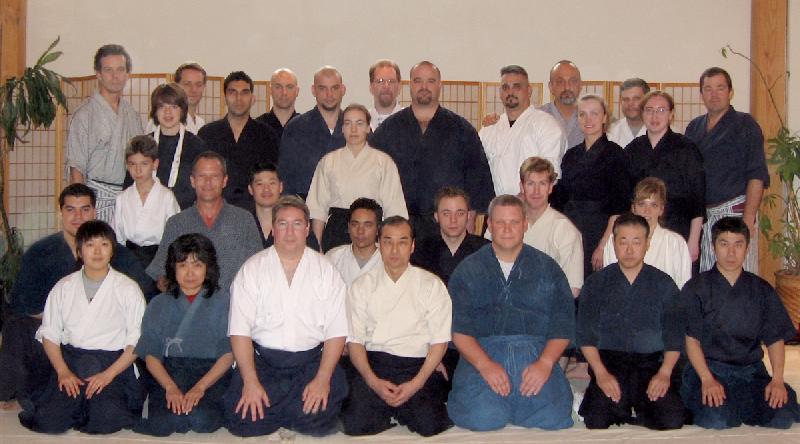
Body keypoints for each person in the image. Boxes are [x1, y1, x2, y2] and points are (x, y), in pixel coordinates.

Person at [0, 184, 154, 411]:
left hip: (104, 340)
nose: (78, 216)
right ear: (60, 212)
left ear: (94, 212)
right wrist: (61, 319)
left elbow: (143, 297)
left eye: (85, 209)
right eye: (70, 209)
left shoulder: (117, 252)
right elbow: (23, 302)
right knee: (16, 326)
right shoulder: (41, 251)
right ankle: (16, 391)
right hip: (51, 330)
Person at [447, 195, 575, 431]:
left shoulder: (548, 268)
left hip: (535, 354)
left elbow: (563, 323)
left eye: (514, 222)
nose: (507, 229)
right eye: (500, 222)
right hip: (484, 353)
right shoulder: (468, 270)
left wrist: (545, 364)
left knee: (554, 416)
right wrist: (485, 365)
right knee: (483, 417)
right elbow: (459, 331)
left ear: (525, 224)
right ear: (489, 225)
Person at [224, 196, 348, 437]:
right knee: (244, 421)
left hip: (311, 363)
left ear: (307, 228)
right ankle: (285, 408)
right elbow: (240, 331)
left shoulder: (326, 271)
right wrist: (250, 381)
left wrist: (322, 379)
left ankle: (289, 409)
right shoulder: (252, 269)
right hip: (264, 363)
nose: (290, 232)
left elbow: (337, 331)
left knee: (317, 422)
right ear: (273, 229)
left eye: (297, 224)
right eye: (282, 224)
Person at [18, 220, 146, 434]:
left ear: (112, 250)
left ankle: (93, 404)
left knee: (105, 421)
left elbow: (137, 340)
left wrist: (107, 375)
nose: (97, 251)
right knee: (50, 422)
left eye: (104, 244)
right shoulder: (64, 287)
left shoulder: (128, 289)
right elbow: (49, 333)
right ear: (79, 252)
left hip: (112, 364)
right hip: (72, 362)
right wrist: (63, 372)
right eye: (89, 245)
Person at [681, 217, 800, 429]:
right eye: (724, 244)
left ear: (747, 247)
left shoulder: (762, 290)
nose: (731, 253)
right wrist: (707, 380)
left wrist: (778, 380)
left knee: (782, 416)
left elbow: (775, 338)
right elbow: (691, 340)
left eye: (738, 244)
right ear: (713, 246)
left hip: (750, 371)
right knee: (718, 419)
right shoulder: (696, 288)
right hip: (709, 369)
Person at [342, 216, 453, 437]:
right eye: (387, 241)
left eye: (402, 242)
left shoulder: (431, 285)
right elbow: (355, 342)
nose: (394, 250)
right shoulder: (362, 286)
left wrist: (415, 384)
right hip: (375, 363)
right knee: (355, 424)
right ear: (379, 245)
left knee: (430, 425)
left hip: (416, 364)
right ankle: (394, 409)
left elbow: (440, 341)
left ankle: (399, 408)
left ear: (412, 246)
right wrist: (374, 383)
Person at [578, 213, 687, 430]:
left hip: (650, 364)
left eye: (636, 242)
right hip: (611, 363)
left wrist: (664, 374)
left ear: (647, 244)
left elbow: (674, 337)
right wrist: (601, 373)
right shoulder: (596, 283)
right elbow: (585, 335)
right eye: (623, 242)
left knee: (671, 420)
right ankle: (626, 406)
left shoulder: (664, 284)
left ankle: (632, 407)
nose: (629, 249)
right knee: (596, 421)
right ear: (614, 243)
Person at [370, 61, 494, 241]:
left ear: (439, 85)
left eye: (430, 81)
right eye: (418, 81)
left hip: (448, 225)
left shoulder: (461, 129)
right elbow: (374, 177)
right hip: (400, 224)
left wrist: (469, 222)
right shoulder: (389, 129)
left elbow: (476, 179)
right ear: (409, 85)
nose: (424, 87)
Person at [134, 234, 233, 436]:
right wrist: (170, 388)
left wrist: (200, 387)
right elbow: (151, 354)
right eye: (182, 265)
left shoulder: (223, 301)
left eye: (197, 265)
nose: (190, 273)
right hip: (169, 373)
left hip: (210, 374)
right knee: (168, 422)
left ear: (208, 268)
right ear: (173, 268)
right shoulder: (158, 303)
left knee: (201, 419)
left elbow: (229, 353)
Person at [685, 67, 769, 273]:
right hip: (703, 216)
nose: (714, 94)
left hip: (735, 211)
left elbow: (756, 175)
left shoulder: (745, 124)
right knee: (707, 277)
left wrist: (748, 219)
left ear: (730, 92)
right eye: (708, 89)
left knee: (736, 276)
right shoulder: (694, 127)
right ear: (701, 94)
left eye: (720, 88)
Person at [146, 151, 261, 292]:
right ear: (192, 181)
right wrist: (182, 298)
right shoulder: (176, 223)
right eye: (202, 176)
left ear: (224, 181)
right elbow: (161, 274)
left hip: (235, 308)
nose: (208, 182)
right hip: (188, 308)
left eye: (214, 176)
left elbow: (258, 270)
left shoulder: (244, 220)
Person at [308, 103, 407, 252]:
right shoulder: (328, 161)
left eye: (359, 123)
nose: (353, 129)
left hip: (371, 229)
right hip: (337, 231)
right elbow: (318, 209)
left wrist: (390, 246)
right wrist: (318, 247)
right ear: (342, 128)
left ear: (368, 127)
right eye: (348, 123)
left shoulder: (384, 162)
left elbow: (394, 209)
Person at [551, 94, 631, 279]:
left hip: (600, 229)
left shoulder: (616, 155)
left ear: (604, 117)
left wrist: (604, 244)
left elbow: (619, 206)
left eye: (594, 114)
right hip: (571, 228)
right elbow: (560, 198)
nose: (588, 120)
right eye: (582, 114)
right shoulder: (571, 155)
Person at [67, 44, 144, 223]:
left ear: (127, 74)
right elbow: (76, 168)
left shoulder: (131, 114)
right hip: (96, 197)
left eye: (120, 70)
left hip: (127, 197)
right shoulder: (84, 114)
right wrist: (82, 209)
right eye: (108, 70)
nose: (115, 76)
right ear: (98, 74)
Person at [625, 90, 704, 262]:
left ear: (671, 115)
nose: (655, 116)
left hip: (679, 228)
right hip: (642, 230)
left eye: (661, 110)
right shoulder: (633, 150)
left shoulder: (686, 148)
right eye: (649, 110)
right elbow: (626, 197)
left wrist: (693, 240)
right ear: (642, 114)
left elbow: (697, 199)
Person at [198, 71, 279, 212]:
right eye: (232, 92)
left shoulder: (267, 134)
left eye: (244, 93)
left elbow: (272, 177)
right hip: (215, 207)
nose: (238, 98)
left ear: (252, 98)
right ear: (224, 97)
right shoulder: (207, 133)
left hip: (255, 210)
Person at [479, 65, 567, 196]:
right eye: (505, 87)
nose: (510, 92)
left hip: (531, 206)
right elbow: (476, 169)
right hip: (496, 207)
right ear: (500, 93)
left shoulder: (546, 124)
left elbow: (551, 172)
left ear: (529, 90)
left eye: (517, 86)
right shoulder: (489, 129)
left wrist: (524, 199)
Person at [128, 83, 208, 210]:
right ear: (155, 111)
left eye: (174, 106)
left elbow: (204, 185)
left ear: (182, 110)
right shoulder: (143, 144)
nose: (167, 112)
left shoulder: (197, 145)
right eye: (161, 107)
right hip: (147, 212)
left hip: (185, 213)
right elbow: (129, 184)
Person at [603, 177, 692, 288]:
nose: (647, 211)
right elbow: (609, 281)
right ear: (633, 208)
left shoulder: (675, 243)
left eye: (653, 205)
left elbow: (683, 287)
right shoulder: (616, 240)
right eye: (641, 204)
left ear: (661, 209)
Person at [514, 156, 583, 296]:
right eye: (530, 183)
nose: (536, 191)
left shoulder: (564, 229)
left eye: (542, 184)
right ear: (521, 187)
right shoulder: (506, 223)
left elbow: (573, 288)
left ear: (551, 187)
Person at [279, 66, 347, 198]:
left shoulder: (355, 127)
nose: (329, 94)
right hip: (305, 209)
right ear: (313, 90)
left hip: (349, 210)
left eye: (334, 88)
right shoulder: (296, 128)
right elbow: (285, 178)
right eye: (323, 88)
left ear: (343, 90)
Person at [114, 136, 180, 268]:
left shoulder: (167, 197)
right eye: (132, 164)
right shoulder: (122, 198)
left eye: (144, 163)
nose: (138, 170)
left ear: (155, 164)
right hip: (129, 260)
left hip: (159, 260)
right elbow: (118, 237)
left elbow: (175, 236)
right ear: (127, 165)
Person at [412, 186, 488, 286]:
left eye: (460, 213)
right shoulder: (419, 251)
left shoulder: (486, 251)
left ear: (468, 216)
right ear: (436, 217)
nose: (453, 220)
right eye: (446, 214)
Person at [247, 161, 320, 250]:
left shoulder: (297, 223)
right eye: (260, 184)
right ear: (250, 189)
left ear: (281, 187)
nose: (266, 189)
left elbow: (313, 255)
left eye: (272, 183)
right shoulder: (243, 224)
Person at [325, 198, 383, 286]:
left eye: (367, 225)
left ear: (378, 229)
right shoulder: (333, 257)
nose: (360, 231)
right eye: (355, 224)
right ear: (348, 227)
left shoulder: (389, 259)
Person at [146, 62, 208, 134]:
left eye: (198, 85)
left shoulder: (201, 123)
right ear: (176, 85)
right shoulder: (163, 119)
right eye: (187, 84)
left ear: (204, 87)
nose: (193, 89)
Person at [539, 60, 583, 148]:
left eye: (572, 81)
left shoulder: (592, 118)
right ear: (551, 87)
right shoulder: (538, 117)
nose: (567, 87)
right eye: (560, 82)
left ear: (580, 85)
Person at [256, 68, 300, 139]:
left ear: (297, 91)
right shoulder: (257, 127)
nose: (284, 92)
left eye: (289, 87)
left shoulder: (306, 127)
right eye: (278, 87)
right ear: (270, 90)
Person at [607, 78, 650, 148]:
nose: (630, 103)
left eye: (636, 99)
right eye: (626, 99)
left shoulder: (661, 131)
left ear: (648, 100)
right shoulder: (610, 132)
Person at [368, 59, 404, 130]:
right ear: (371, 87)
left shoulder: (411, 121)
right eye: (380, 81)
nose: (386, 86)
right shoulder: (363, 122)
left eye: (391, 81)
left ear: (399, 87)